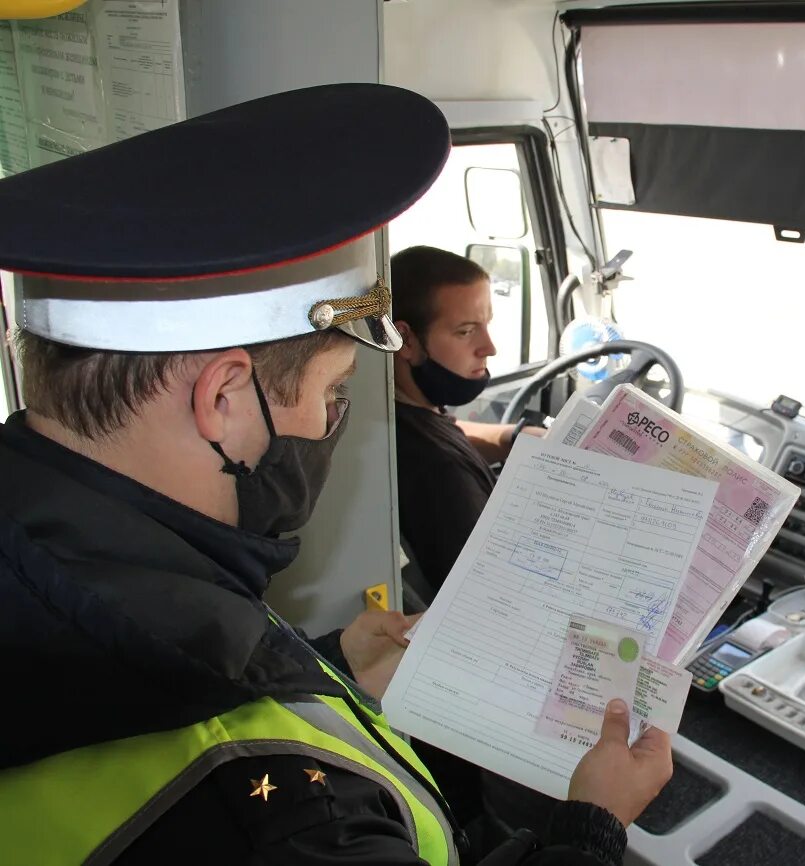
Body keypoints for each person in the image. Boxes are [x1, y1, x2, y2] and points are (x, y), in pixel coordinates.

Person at [0, 84, 671, 865]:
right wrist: (591, 826)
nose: (329, 426)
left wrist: (325, 664)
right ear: (222, 398)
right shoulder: (283, 818)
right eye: (332, 393)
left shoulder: (56, 556)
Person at [389, 245, 543, 596]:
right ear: (406, 341)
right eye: (465, 331)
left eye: (486, 325)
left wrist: (513, 437)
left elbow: (448, 432)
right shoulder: (440, 472)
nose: (489, 347)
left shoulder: (406, 414)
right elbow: (496, 595)